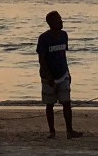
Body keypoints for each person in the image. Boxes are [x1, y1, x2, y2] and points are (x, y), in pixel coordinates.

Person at [36, 11, 83, 139]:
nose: (61, 22)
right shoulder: (44, 38)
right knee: (49, 104)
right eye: (58, 20)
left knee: (66, 103)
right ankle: (52, 131)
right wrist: (48, 77)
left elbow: (63, 56)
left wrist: (68, 72)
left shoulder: (64, 35)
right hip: (48, 76)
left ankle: (70, 131)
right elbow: (42, 59)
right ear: (51, 23)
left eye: (61, 19)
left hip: (63, 74)